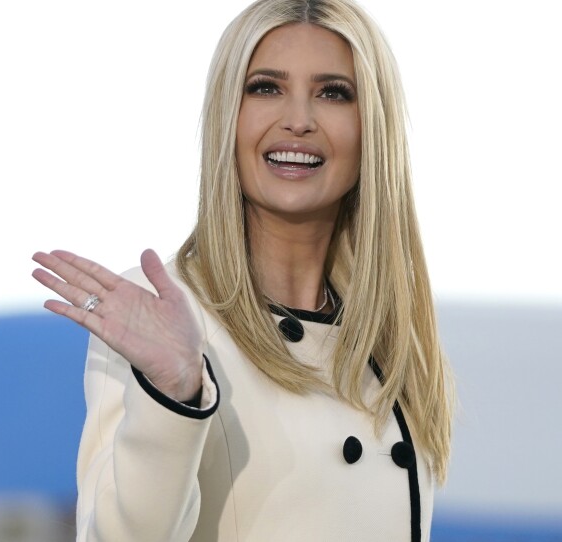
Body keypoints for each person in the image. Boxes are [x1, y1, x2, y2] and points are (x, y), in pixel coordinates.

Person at [32, 0, 455, 540]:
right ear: (226, 116)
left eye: (333, 93)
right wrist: (176, 396)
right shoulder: (164, 314)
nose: (298, 120)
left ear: (373, 127)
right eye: (265, 88)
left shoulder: (388, 334)